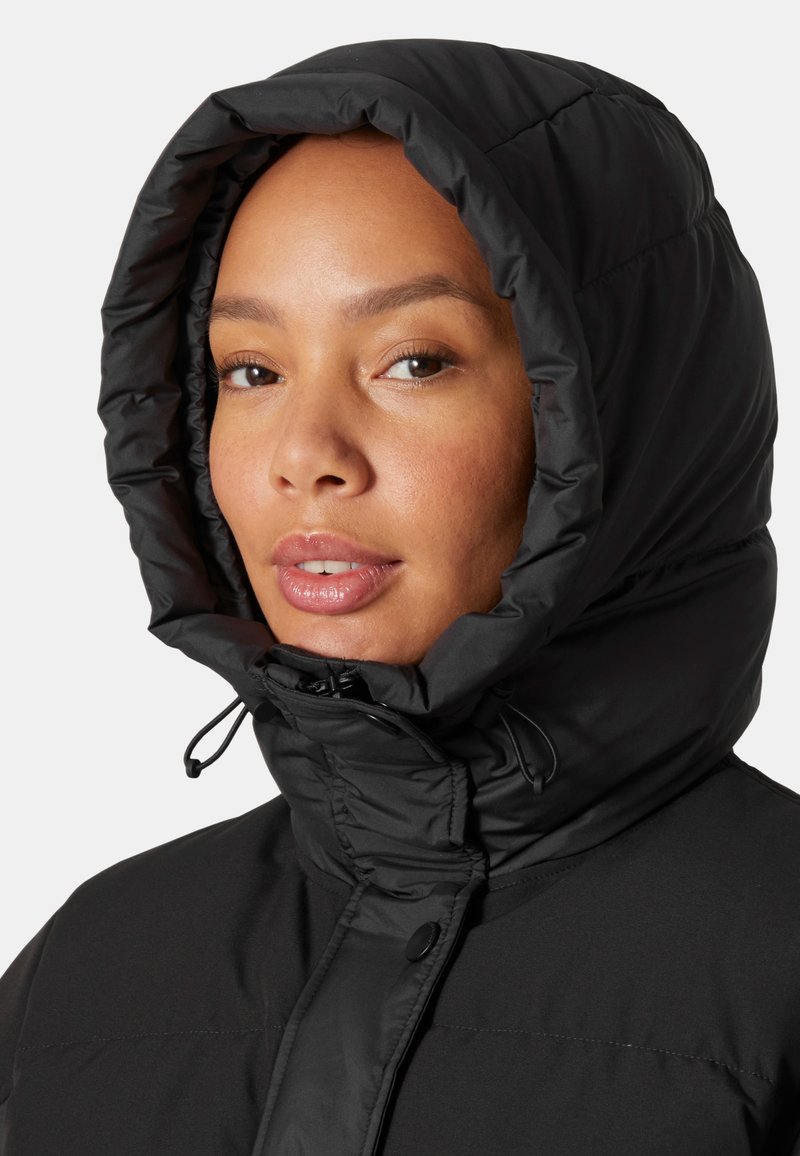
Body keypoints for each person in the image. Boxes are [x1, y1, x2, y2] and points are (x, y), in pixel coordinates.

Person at [1, 36, 798, 1155]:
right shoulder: (88, 971)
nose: (305, 456)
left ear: (621, 410)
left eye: (412, 361)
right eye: (251, 371)